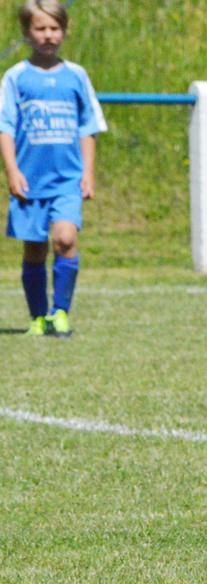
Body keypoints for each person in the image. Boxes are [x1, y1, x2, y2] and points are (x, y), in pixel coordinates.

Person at [1, 0, 106, 337]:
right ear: (27, 32)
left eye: (54, 28)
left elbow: (88, 126)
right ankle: (37, 317)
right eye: (40, 28)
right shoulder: (16, 77)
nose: (48, 35)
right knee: (34, 248)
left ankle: (60, 312)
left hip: (67, 180)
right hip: (30, 180)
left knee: (65, 238)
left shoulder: (76, 75)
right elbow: (5, 127)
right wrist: (12, 171)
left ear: (64, 31)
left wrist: (88, 173)